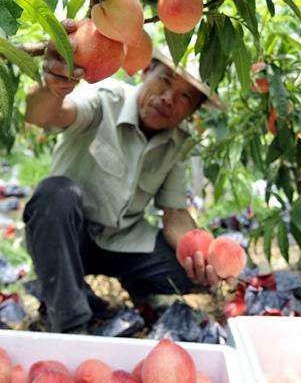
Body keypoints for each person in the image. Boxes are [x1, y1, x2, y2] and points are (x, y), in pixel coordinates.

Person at [23, 21, 223, 334]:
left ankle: (134, 284)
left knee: (188, 273)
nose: (169, 98)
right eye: (165, 80)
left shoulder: (177, 141)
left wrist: (200, 255)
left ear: (191, 113)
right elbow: (46, 115)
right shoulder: (105, 99)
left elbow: (174, 214)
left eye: (185, 98)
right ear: (145, 72)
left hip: (123, 241)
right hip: (69, 238)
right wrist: (53, 88)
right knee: (55, 193)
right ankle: (71, 322)